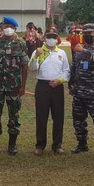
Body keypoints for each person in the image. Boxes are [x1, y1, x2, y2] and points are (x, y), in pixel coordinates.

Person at [0, 16, 29, 155]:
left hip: (14, 85)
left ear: (15, 28)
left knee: (14, 114)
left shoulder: (21, 43)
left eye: (10, 26)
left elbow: (24, 66)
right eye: (5, 26)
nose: (7, 29)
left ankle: (12, 145)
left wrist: (23, 86)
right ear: (1, 28)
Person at [69, 23, 94, 158]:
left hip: (93, 93)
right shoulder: (79, 49)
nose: (87, 36)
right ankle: (82, 144)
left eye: (90, 33)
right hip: (79, 92)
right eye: (85, 33)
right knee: (78, 120)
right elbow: (74, 68)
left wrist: (83, 51)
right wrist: (71, 84)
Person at [28, 27, 70, 156]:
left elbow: (67, 71)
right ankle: (40, 145)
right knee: (41, 116)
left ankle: (57, 145)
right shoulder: (39, 51)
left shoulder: (61, 53)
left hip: (57, 86)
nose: (51, 39)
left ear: (57, 39)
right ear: (44, 38)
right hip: (42, 86)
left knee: (58, 116)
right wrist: (36, 57)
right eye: (49, 37)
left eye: (54, 37)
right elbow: (32, 68)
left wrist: (60, 80)